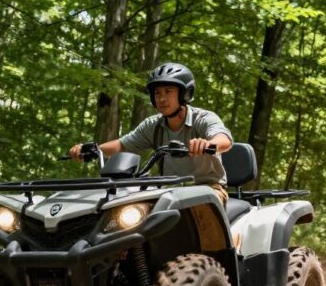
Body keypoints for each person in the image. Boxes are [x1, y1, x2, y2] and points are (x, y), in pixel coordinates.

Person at [69, 63, 233, 205]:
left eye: (168, 91)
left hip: (208, 189)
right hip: (167, 191)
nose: (162, 98)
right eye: (157, 93)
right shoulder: (153, 125)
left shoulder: (203, 118)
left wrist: (208, 144)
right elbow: (121, 145)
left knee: (198, 209)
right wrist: (93, 150)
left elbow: (224, 140)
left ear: (185, 94)